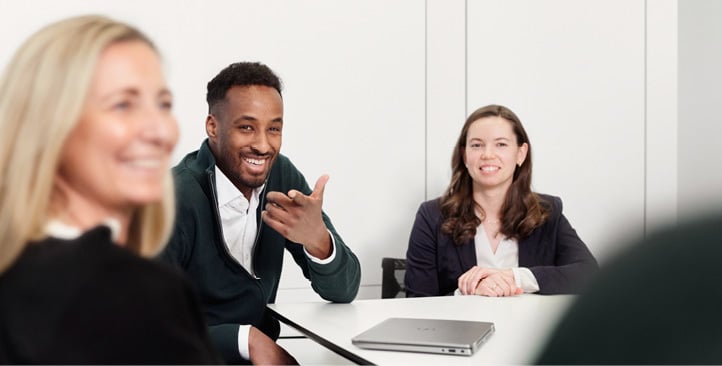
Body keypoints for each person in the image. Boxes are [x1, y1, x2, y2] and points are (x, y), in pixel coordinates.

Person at [0, 15, 221, 364]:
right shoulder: (139, 292)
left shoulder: (16, 270)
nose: (161, 132)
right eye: (123, 105)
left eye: (163, 104)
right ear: (51, 125)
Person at [160, 61, 362, 364]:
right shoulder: (170, 201)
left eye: (274, 129)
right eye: (246, 127)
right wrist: (246, 340)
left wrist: (318, 240)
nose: (263, 145)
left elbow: (344, 290)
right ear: (213, 127)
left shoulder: (282, 177)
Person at [404, 104, 598, 297]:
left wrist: (515, 278)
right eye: (477, 145)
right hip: (462, 328)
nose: (488, 154)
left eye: (501, 144)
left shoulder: (547, 212)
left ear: (520, 154)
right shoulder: (432, 216)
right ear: (465, 155)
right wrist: (468, 291)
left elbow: (587, 273)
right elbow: (417, 300)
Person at [536, 212, 722, 364]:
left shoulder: (547, 213)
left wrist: (519, 277)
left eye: (508, 161)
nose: (504, 163)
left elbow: (585, 270)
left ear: (521, 163)